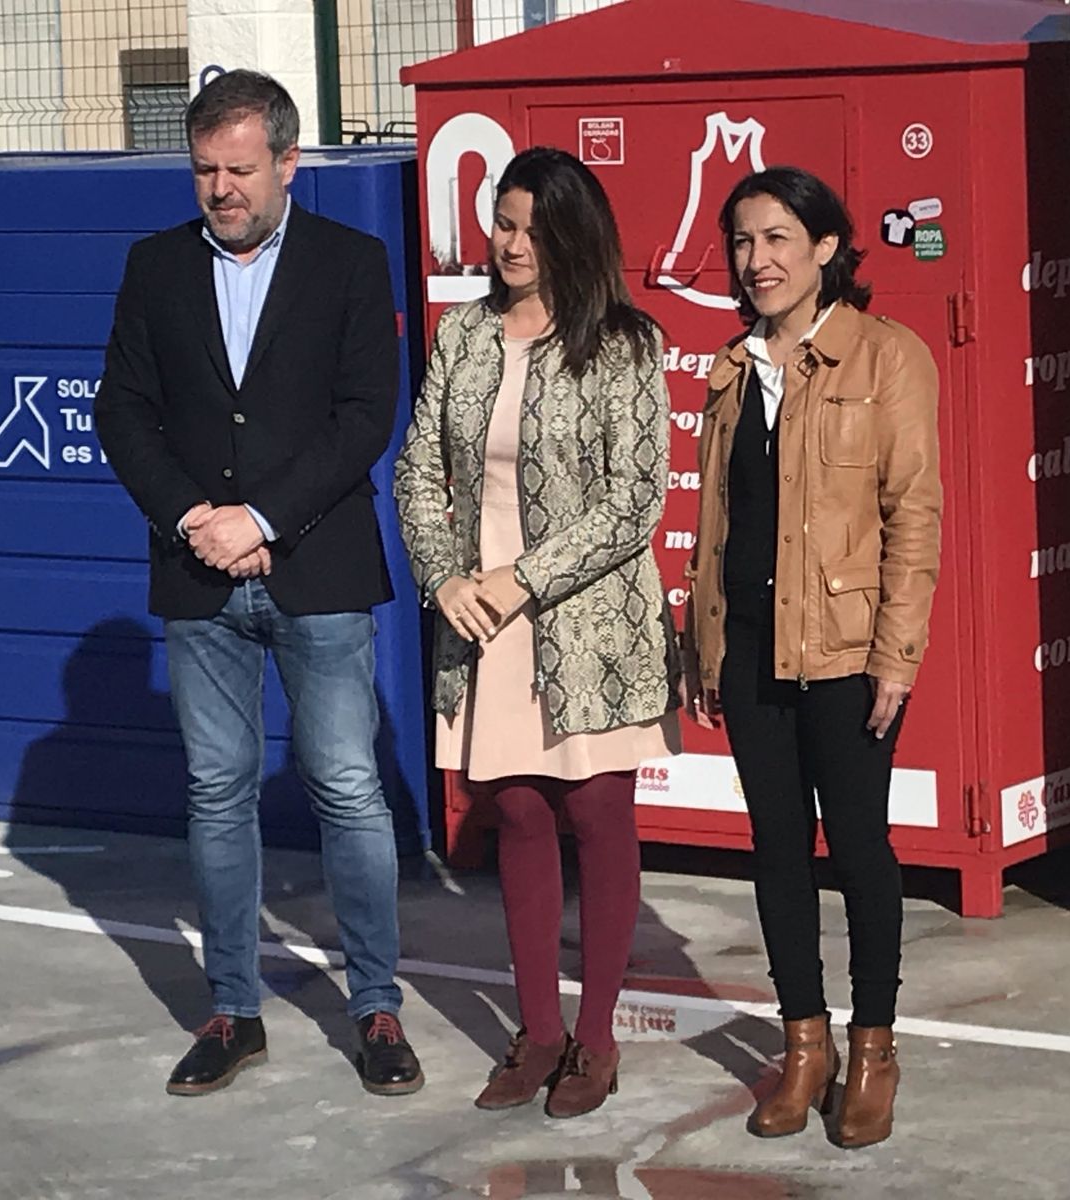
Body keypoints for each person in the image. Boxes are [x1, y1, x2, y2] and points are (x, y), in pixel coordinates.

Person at [95, 69, 422, 1100]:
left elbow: (365, 414)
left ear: (288, 162)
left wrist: (263, 519)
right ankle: (233, 1009)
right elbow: (123, 412)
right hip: (198, 581)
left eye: (239, 169)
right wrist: (196, 518)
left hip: (316, 571)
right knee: (215, 792)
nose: (220, 190)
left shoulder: (350, 264)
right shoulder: (154, 267)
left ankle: (375, 1007)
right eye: (204, 170)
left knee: (347, 789)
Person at [393, 146, 680, 1119]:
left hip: (588, 622)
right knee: (512, 813)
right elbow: (418, 471)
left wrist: (520, 580)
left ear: (571, 232)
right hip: (479, 618)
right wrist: (443, 582)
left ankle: (595, 1040)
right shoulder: (464, 335)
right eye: (502, 222)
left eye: (529, 225)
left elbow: (632, 504)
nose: (511, 243)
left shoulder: (625, 344)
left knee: (596, 816)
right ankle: (539, 1032)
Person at [682, 166, 942, 1148]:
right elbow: (716, 523)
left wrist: (896, 655)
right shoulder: (730, 368)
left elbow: (912, 514)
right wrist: (701, 640)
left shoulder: (886, 359)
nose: (757, 261)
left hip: (844, 649)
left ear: (827, 248)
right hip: (748, 645)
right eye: (743, 242)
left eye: (779, 239)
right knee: (776, 851)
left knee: (861, 849)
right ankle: (804, 1046)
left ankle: (872, 1050)